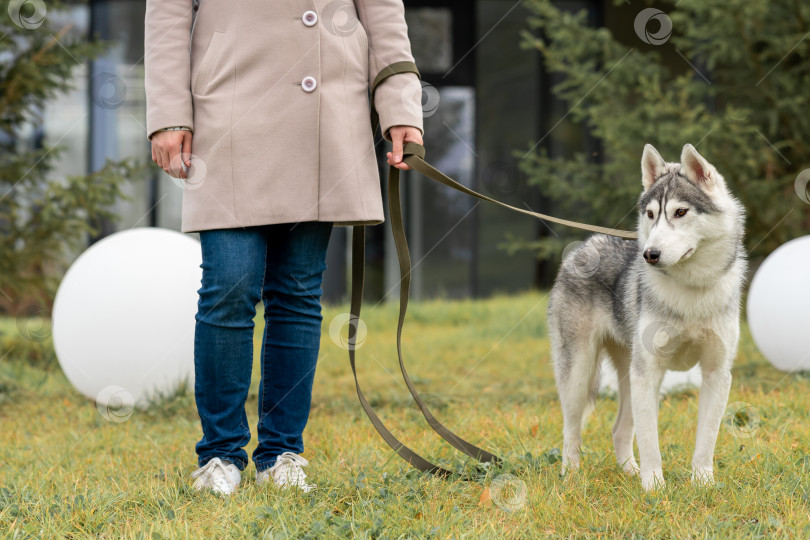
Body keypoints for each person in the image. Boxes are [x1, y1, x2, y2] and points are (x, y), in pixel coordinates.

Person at [144, 0, 424, 495]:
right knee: (229, 284)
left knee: (296, 291)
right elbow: (166, 12)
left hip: (324, 111)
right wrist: (168, 112)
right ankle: (220, 454)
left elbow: (382, 12)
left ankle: (281, 453)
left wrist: (400, 104)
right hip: (227, 106)